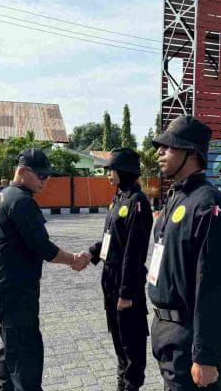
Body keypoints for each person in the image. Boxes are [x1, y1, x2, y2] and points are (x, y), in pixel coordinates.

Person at [0, 148, 89, 391]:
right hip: (17, 292)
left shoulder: (4, 195)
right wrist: (73, 258)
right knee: (26, 357)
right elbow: (44, 247)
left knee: (11, 349)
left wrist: (4, 260)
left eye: (48, 176)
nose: (46, 181)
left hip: (4, 288)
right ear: (22, 172)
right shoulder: (22, 202)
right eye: (41, 176)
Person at [148, 115, 221, 390]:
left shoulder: (208, 204)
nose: (160, 152)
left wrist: (207, 357)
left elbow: (214, 286)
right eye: (160, 146)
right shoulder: (176, 196)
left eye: (169, 147)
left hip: (188, 336)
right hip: (164, 329)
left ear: (192, 154)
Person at [80, 148, 152, 391]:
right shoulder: (119, 198)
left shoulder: (137, 202)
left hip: (125, 280)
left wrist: (127, 292)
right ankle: (121, 381)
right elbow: (110, 239)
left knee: (131, 339)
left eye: (111, 169)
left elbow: (134, 251)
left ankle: (131, 384)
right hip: (110, 278)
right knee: (118, 337)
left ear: (124, 171)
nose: (108, 174)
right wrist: (91, 253)